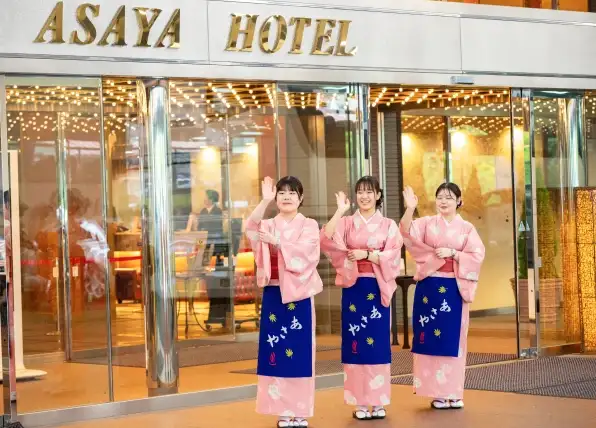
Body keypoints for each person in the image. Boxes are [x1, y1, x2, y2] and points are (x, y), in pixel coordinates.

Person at [320, 176, 403, 420]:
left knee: (377, 344)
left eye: (369, 192)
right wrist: (339, 210)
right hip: (354, 287)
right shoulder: (346, 222)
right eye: (360, 192)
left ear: (378, 195)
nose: (364, 196)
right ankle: (359, 401)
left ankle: (378, 401)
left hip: (377, 287)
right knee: (355, 342)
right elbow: (325, 239)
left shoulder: (388, 224)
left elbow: (394, 256)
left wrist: (367, 255)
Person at [245, 176, 323, 428]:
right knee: (275, 350)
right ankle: (281, 410)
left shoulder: (309, 225)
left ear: (301, 198)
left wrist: (278, 243)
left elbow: (309, 252)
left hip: (299, 295)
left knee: (300, 351)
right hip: (274, 293)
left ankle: (299, 410)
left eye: (292, 193)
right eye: (281, 193)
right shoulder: (267, 224)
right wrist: (264, 200)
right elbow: (250, 227)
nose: (286, 197)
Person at [399, 183, 485, 410]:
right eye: (439, 197)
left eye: (449, 197)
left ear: (459, 201)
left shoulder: (466, 228)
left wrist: (454, 253)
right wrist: (410, 208)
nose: (443, 201)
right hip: (429, 287)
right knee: (431, 339)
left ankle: (453, 392)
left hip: (454, 287)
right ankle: (436, 392)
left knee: (453, 340)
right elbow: (405, 232)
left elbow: (477, 254)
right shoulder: (427, 223)